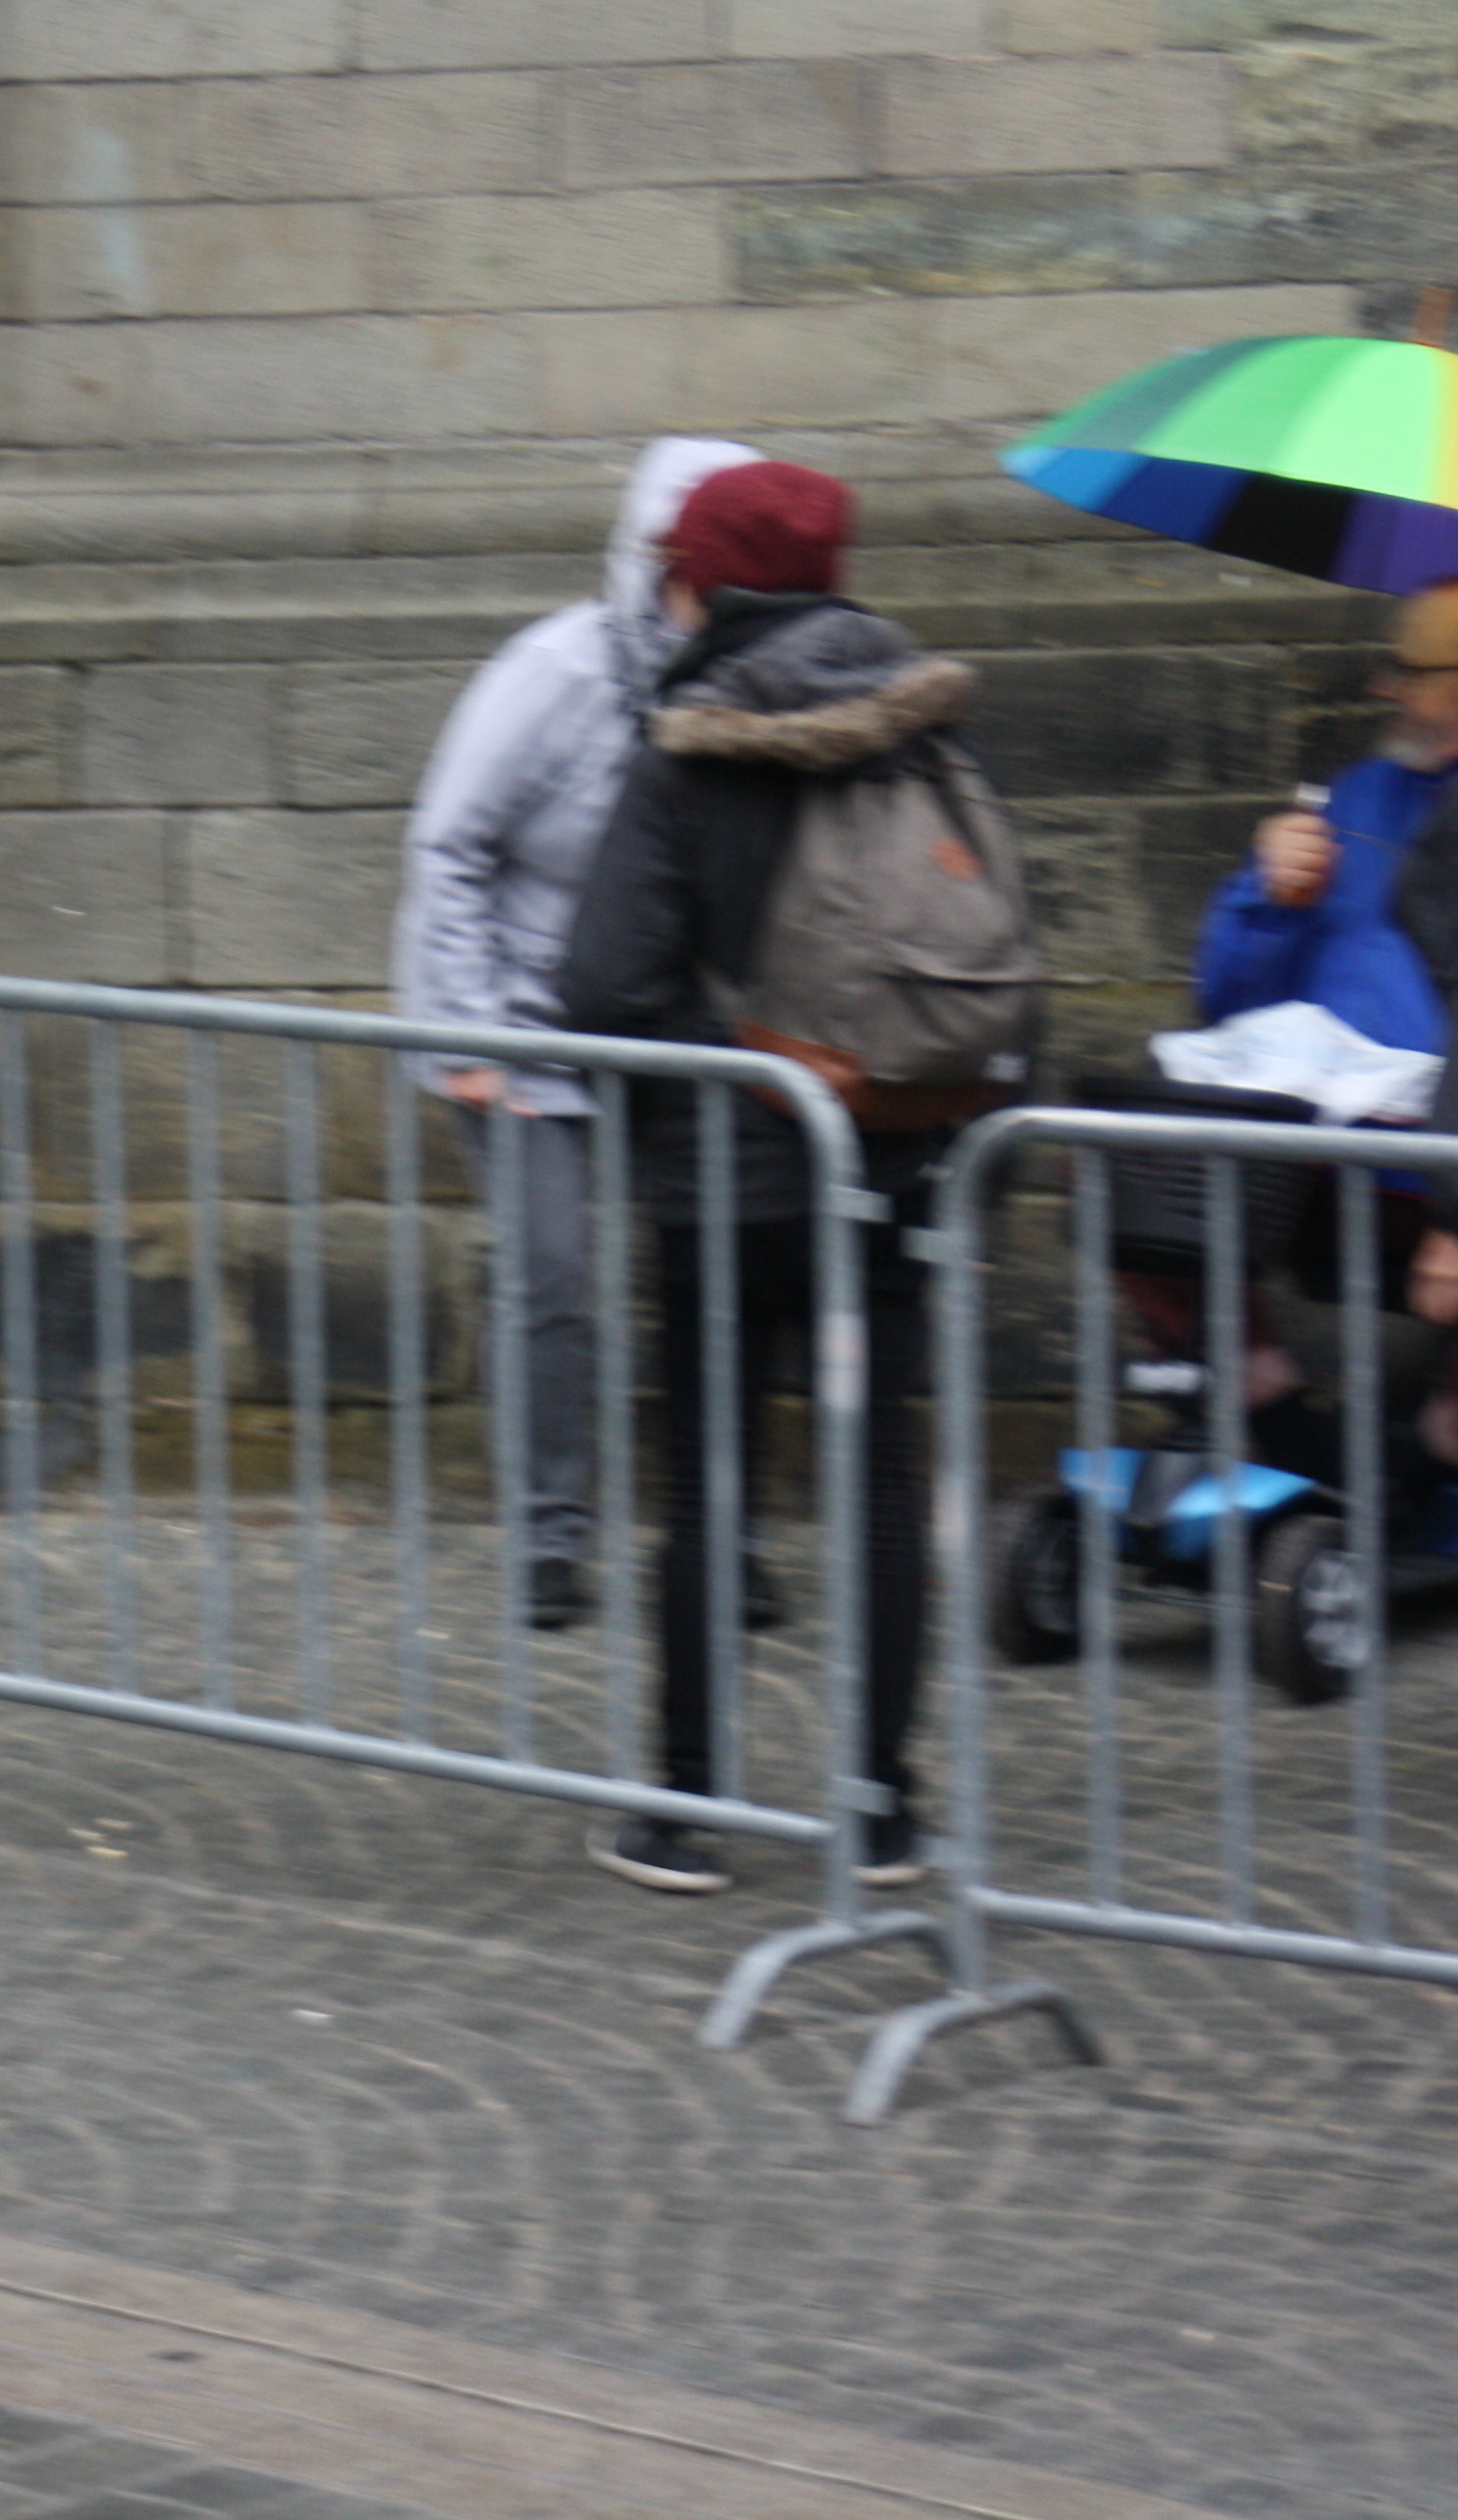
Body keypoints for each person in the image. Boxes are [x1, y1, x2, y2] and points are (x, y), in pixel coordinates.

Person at [559, 458, 979, 1894]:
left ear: (712, 584)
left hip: (725, 1182)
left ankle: (682, 1805)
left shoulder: (690, 749)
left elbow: (600, 982)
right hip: (896, 1161)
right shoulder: (925, 727)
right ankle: (883, 1809)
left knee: (710, 1482)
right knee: (880, 1481)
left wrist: (726, 1056)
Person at [390, 435, 758, 1628]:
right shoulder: (554, 672)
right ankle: (551, 1534)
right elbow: (450, 846)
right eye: (688, 575)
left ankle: (718, 1533)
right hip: (521, 1018)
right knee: (552, 1277)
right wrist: (472, 1042)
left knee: (720, 1273)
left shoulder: (745, 683)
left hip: (665, 1017)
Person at [1127, 578, 1458, 1482]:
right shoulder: (1360, 796)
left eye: (1412, 671)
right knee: (1127, 1177)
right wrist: (1269, 901)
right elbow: (1226, 1002)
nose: (1386, 688)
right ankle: (1270, 1414)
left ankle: (1450, 1460)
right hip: (1325, 1145)